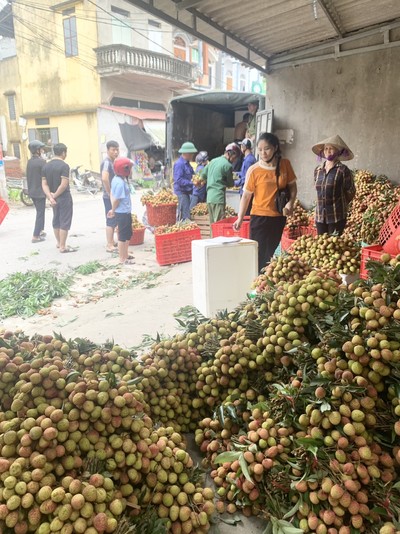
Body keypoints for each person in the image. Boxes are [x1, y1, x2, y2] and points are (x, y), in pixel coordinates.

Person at [234, 133, 297, 272]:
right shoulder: (254, 170)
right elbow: (246, 196)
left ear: (275, 148)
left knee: (270, 252)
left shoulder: (285, 165)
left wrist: (290, 203)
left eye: (267, 148)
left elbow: (292, 186)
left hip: (279, 217)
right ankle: (256, 282)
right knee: (258, 253)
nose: (263, 153)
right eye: (260, 149)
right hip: (259, 218)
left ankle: (264, 282)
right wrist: (239, 218)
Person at [312, 135, 356, 236]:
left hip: (336, 216)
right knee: (321, 247)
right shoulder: (318, 170)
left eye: (331, 148)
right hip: (320, 216)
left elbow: (351, 191)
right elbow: (317, 189)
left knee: (334, 246)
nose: (328, 151)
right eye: (326, 148)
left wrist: (341, 204)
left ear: (338, 151)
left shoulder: (343, 170)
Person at [42, 143, 75, 253]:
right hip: (63, 197)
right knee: (64, 221)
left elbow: (44, 184)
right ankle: (63, 246)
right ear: (63, 153)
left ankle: (58, 242)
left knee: (56, 219)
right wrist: (55, 196)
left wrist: (50, 197)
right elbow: (64, 184)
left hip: (53, 198)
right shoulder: (64, 166)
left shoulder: (46, 166)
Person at [202, 143, 240, 224]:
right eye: (235, 157)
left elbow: (203, 175)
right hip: (219, 198)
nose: (234, 160)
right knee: (219, 224)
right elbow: (230, 184)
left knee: (212, 224)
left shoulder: (213, 161)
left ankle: (212, 237)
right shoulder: (228, 165)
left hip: (209, 198)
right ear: (230, 154)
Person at [107, 157, 134, 265]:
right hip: (122, 212)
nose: (131, 170)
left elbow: (112, 194)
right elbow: (117, 199)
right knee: (122, 237)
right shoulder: (119, 182)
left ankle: (126, 254)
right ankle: (122, 259)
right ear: (125, 170)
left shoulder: (119, 179)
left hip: (125, 211)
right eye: (130, 168)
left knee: (128, 234)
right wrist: (113, 210)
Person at [101, 140, 120, 252]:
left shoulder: (113, 161)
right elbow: (104, 178)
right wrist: (109, 192)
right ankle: (109, 244)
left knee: (113, 218)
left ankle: (112, 241)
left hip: (112, 196)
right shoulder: (107, 162)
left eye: (117, 150)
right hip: (109, 196)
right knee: (111, 219)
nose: (116, 152)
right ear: (108, 150)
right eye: (113, 150)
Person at [26, 140, 46, 243]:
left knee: (39, 212)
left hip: (32, 192)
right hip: (40, 192)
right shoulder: (41, 162)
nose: (43, 150)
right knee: (40, 213)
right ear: (37, 150)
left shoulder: (30, 161)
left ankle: (41, 231)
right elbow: (46, 176)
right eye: (41, 149)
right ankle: (35, 235)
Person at [173, 141, 197, 221]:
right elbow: (178, 180)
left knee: (186, 215)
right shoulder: (180, 164)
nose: (192, 155)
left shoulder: (187, 164)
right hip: (181, 194)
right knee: (184, 217)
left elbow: (193, 176)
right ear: (186, 153)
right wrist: (191, 182)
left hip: (186, 193)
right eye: (191, 153)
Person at [234, 138, 257, 215]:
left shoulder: (248, 160)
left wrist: (235, 183)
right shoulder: (248, 159)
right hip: (246, 189)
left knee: (245, 212)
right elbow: (244, 173)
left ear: (244, 147)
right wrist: (236, 174)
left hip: (246, 191)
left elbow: (247, 178)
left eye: (241, 146)